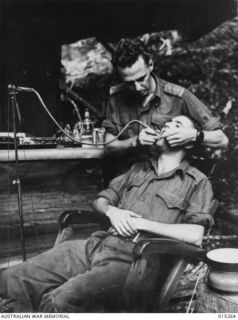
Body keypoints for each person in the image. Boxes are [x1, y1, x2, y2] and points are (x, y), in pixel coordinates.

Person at [0, 116, 214, 313]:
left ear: (188, 141)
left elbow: (195, 234)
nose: (166, 125)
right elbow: (100, 201)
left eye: (176, 125)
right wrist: (112, 211)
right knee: (12, 278)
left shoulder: (196, 181)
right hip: (95, 246)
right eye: (167, 123)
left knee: (59, 301)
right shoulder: (138, 169)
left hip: (135, 263)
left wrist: (141, 223)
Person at [102, 38, 228, 181]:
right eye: (129, 83)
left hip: (169, 184)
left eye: (141, 78)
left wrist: (193, 136)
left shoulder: (179, 96)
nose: (137, 88)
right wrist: (135, 142)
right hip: (127, 183)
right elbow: (109, 148)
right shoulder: (116, 98)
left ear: (150, 64)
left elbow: (222, 140)